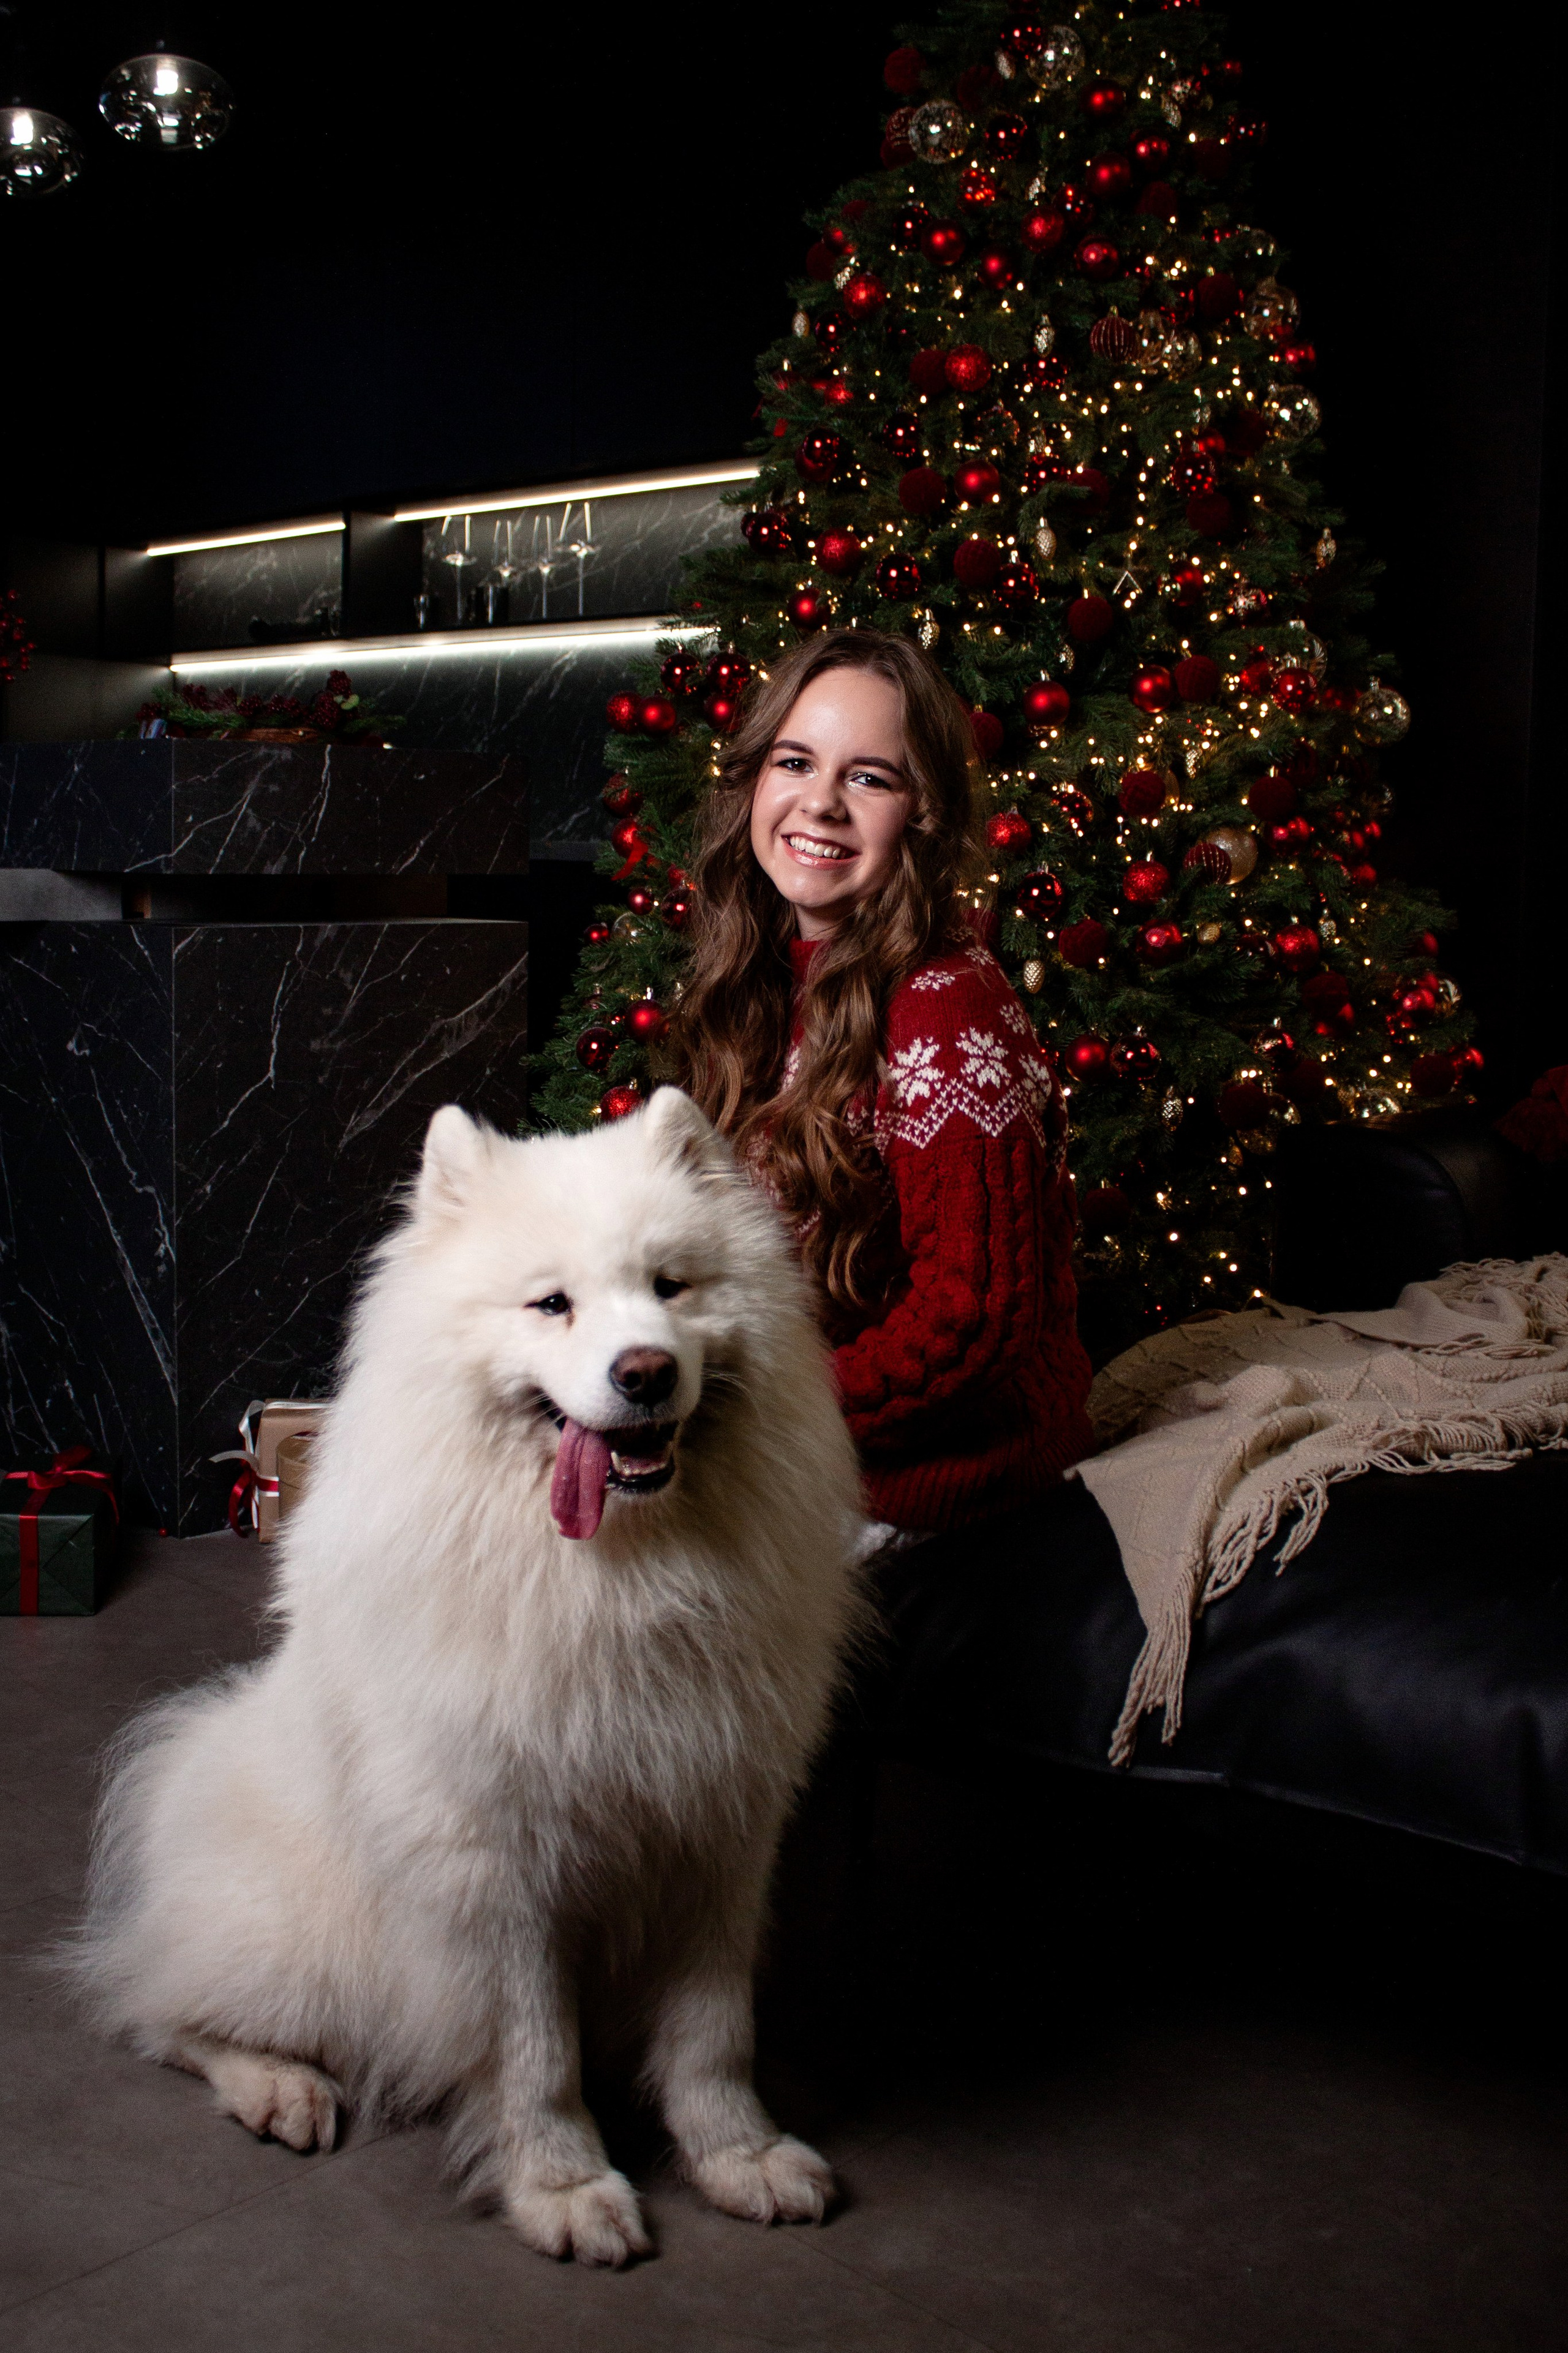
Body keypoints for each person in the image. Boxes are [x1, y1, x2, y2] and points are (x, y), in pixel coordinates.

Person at [670, 627, 1092, 1537]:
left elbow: (973, 1321)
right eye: (795, 761)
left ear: (924, 812)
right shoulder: (764, 978)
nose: (819, 804)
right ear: (755, 780)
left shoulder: (947, 1004)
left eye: (869, 777)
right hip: (806, 1442)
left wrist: (744, 1413)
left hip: (936, 1478)